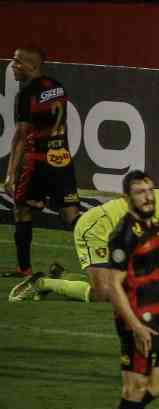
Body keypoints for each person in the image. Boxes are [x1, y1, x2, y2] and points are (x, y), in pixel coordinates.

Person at [82, 170, 159, 409]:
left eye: (150, 190)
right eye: (140, 192)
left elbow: (156, 271)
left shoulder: (152, 224)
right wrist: (135, 326)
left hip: (157, 317)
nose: (148, 196)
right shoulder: (123, 234)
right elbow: (114, 287)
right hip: (136, 322)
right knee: (134, 390)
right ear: (127, 198)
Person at [8, 174, 159, 303]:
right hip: (98, 228)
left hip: (111, 231)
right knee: (104, 294)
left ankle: (63, 275)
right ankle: (42, 284)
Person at [3, 47, 80, 277]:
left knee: (22, 210)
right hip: (62, 160)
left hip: (37, 163)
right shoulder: (57, 87)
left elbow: (20, 137)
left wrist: (10, 174)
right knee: (71, 217)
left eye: (17, 62)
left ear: (32, 66)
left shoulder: (27, 95)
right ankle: (107, 260)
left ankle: (24, 268)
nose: (13, 65)